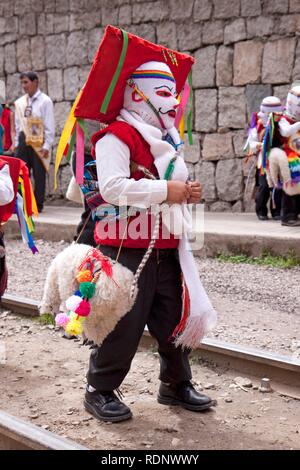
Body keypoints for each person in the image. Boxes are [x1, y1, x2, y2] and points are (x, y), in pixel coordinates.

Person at [58, 25, 217, 423]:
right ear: (137, 94)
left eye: (172, 92)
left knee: (174, 319)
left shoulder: (167, 141)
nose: (172, 100)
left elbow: (167, 188)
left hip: (167, 247)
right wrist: (169, 191)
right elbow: (112, 187)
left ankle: (175, 384)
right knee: (120, 323)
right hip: (124, 248)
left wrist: (185, 192)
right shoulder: (116, 136)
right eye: (162, 92)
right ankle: (99, 389)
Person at [14, 71, 55, 213]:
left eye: (26, 82)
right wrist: (16, 143)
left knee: (39, 174)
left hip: (39, 142)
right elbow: (18, 125)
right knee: (21, 173)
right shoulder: (20, 102)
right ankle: (21, 203)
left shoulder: (45, 101)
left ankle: (37, 204)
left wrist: (47, 145)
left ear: (35, 82)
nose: (24, 86)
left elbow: (49, 124)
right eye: (22, 83)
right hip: (23, 140)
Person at [244, 96, 283, 221]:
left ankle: (277, 211)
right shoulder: (258, 126)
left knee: (278, 186)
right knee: (264, 186)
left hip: (278, 161)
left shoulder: (282, 125)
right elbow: (251, 143)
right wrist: (260, 145)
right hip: (263, 163)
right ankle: (261, 210)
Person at [267, 86, 300, 226]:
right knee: (291, 185)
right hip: (288, 158)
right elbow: (286, 132)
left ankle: (296, 213)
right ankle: (288, 216)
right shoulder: (282, 119)